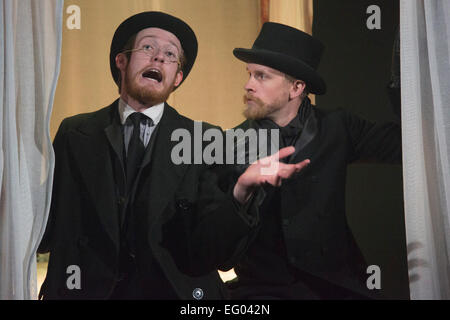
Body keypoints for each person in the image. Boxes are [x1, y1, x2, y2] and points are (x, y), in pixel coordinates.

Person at [37, 12, 308, 300]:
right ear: (121, 61)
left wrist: (241, 192)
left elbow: (215, 254)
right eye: (147, 48)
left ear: (177, 77)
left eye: (170, 55)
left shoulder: (205, 141)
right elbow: (47, 228)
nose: (158, 58)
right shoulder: (75, 133)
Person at [222, 22, 402, 299]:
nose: (248, 85)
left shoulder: (338, 127)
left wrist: (405, 71)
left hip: (336, 286)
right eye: (249, 75)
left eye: (262, 76)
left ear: (296, 87)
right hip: (261, 290)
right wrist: (242, 190)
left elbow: (404, 143)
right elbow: (217, 245)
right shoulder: (230, 144)